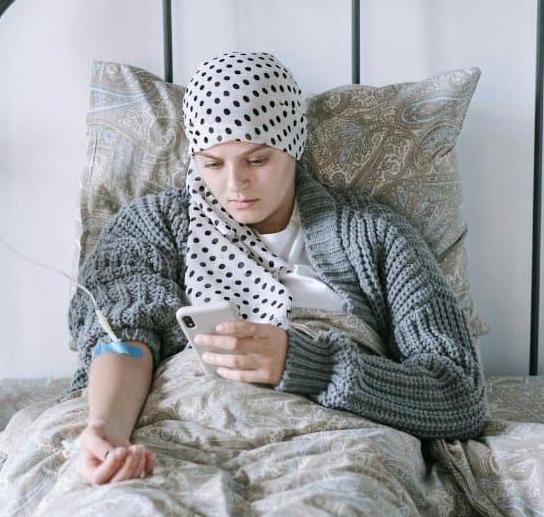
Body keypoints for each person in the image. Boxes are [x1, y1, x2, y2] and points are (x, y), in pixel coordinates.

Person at [68, 52, 487, 486]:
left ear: (293, 145)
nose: (235, 185)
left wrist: (308, 364)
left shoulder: (376, 236)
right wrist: (107, 429)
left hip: (336, 447)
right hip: (180, 430)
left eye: (257, 160)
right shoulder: (151, 228)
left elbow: (459, 397)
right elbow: (121, 339)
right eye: (213, 163)